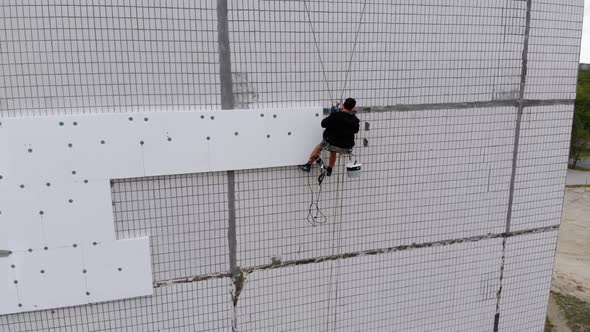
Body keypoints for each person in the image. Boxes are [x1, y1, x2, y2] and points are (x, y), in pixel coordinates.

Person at [298, 98, 360, 176]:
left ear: (343, 105)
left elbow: (323, 124)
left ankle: (308, 165)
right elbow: (356, 130)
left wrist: (332, 114)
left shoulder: (335, 116)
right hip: (346, 147)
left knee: (319, 147)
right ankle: (329, 170)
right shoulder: (355, 119)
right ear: (353, 107)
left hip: (331, 143)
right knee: (333, 150)